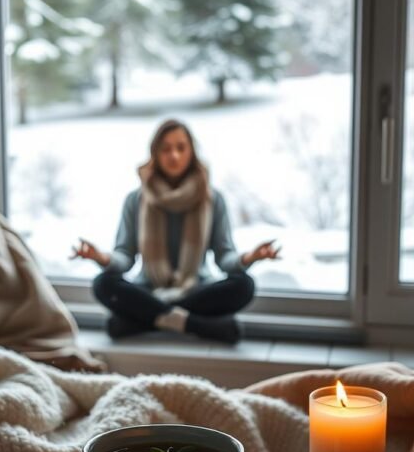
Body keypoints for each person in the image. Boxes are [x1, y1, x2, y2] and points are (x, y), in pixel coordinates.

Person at [70, 119, 281, 344]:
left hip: (196, 289)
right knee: (103, 283)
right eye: (166, 149)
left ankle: (149, 318)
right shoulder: (136, 200)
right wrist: (101, 257)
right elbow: (125, 256)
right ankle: (195, 324)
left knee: (244, 285)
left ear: (192, 152)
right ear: (155, 153)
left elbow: (224, 257)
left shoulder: (212, 199)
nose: (174, 156)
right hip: (148, 290)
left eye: (181, 148)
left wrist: (251, 257)